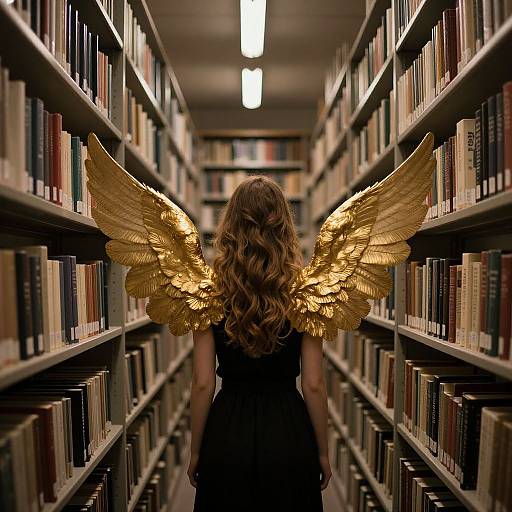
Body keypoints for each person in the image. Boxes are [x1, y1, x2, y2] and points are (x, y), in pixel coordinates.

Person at [188, 176, 328, 512]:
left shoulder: (208, 293)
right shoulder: (306, 292)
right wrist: (322, 451)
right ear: (285, 226)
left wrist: (196, 451)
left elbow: (203, 383)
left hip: (227, 430)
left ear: (230, 225)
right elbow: (313, 384)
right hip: (288, 428)